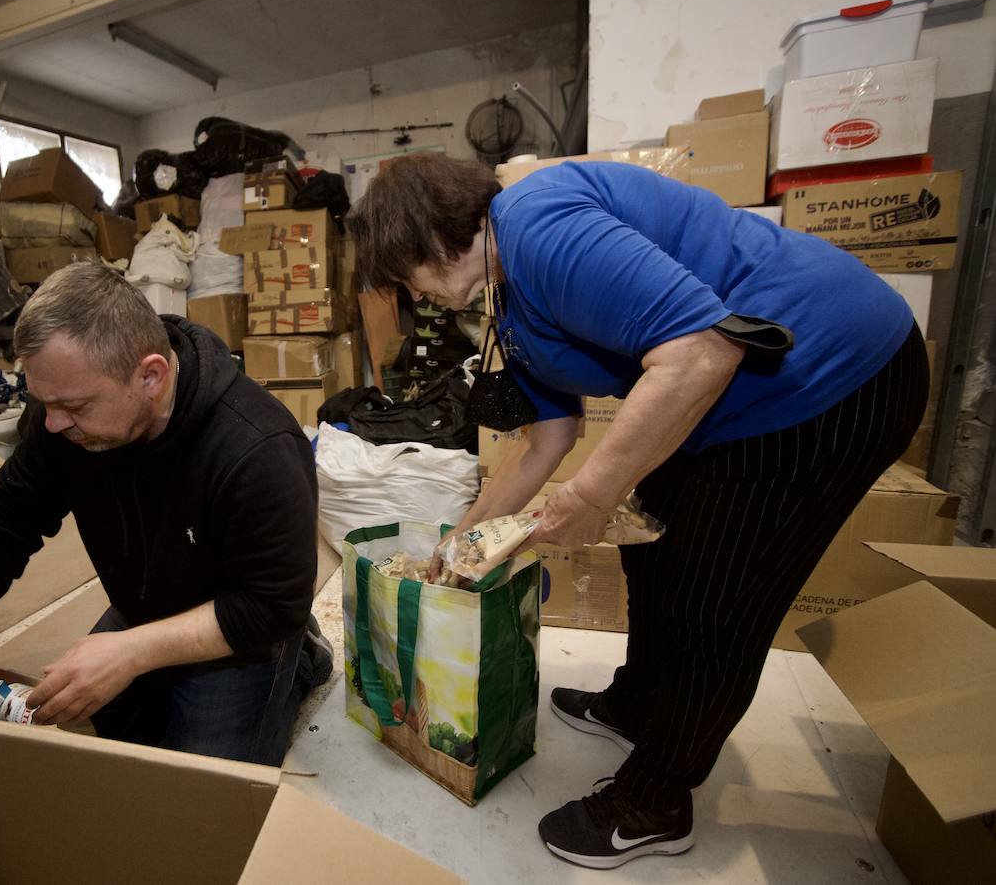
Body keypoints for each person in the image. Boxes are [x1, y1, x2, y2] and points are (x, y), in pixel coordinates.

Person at [348, 154, 926, 869]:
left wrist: (591, 496)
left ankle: (656, 800)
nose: (419, 296)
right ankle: (642, 703)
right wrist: (463, 540)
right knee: (654, 550)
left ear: (426, 241)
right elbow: (545, 440)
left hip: (828, 371)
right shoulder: (509, 297)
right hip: (728, 400)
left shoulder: (534, 225)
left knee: (714, 600)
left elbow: (698, 353)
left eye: (406, 277)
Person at [0, 264, 327, 766]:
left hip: (238, 624)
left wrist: (132, 651)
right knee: (106, 735)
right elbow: (9, 513)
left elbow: (271, 605)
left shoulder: (256, 447)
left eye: (73, 406)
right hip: (143, 604)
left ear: (151, 375)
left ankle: (300, 660)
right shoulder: (62, 414)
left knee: (197, 794)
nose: (52, 423)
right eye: (43, 402)